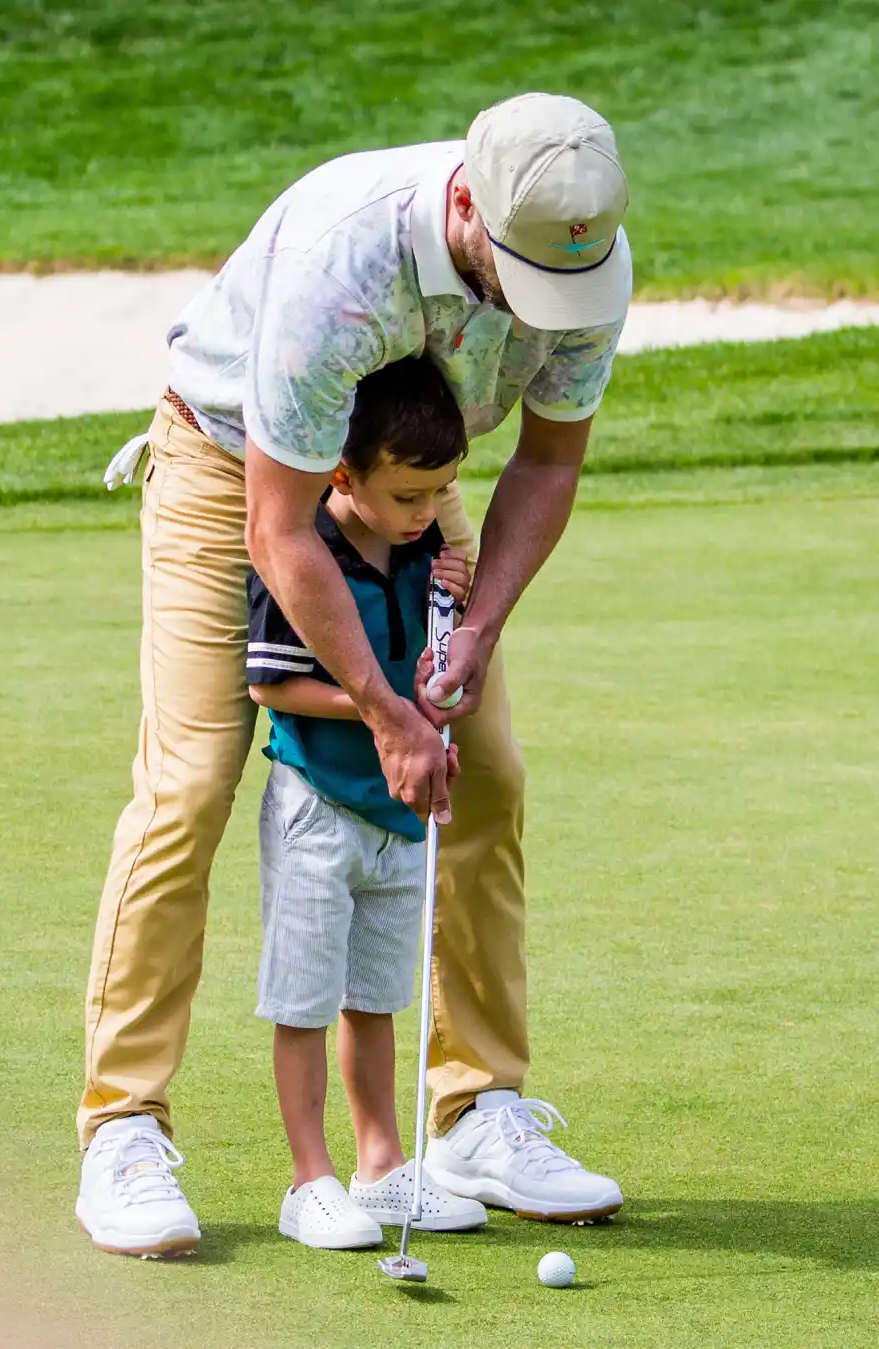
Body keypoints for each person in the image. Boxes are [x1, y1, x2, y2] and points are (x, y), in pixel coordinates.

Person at [78, 90, 631, 1258]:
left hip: (406, 484)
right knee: (192, 778)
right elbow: (279, 527)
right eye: (518, 271)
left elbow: (544, 462)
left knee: (483, 768)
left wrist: (472, 630)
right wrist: (381, 708)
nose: (543, 305)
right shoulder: (348, 258)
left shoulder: (585, 255)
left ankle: (475, 1105)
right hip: (236, 467)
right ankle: (122, 1122)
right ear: (469, 206)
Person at [246, 354, 487, 1249]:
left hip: (399, 816)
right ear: (343, 474)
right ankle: (308, 1181)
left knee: (373, 999)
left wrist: (451, 630)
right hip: (318, 803)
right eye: (409, 496)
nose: (427, 514)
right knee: (304, 1002)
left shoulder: (425, 553)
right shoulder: (300, 552)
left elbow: (431, 673)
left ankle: (381, 1166)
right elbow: (273, 687)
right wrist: (382, 715)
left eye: (440, 492)